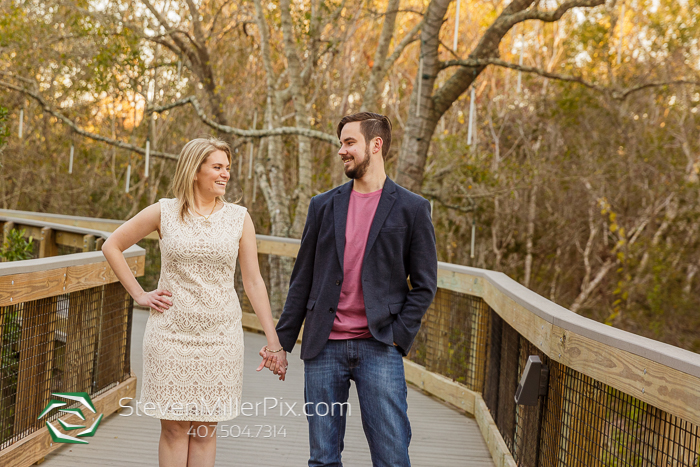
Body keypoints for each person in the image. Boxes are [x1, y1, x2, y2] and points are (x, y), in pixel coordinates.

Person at [102, 137, 287, 467]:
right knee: (174, 430)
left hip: (220, 338)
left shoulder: (239, 218)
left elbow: (253, 281)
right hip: (170, 336)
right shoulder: (164, 211)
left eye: (227, 168)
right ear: (194, 170)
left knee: (204, 430)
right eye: (217, 167)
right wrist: (139, 294)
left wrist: (273, 341)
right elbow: (112, 245)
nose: (225, 175)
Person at [273, 112, 438, 466]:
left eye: (349, 143)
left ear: (375, 145)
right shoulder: (323, 205)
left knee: (392, 456)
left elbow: (424, 284)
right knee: (323, 459)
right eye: (341, 143)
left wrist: (398, 335)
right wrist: (280, 343)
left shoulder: (412, 208)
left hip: (379, 347)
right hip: (323, 348)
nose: (341, 151)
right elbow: (302, 279)